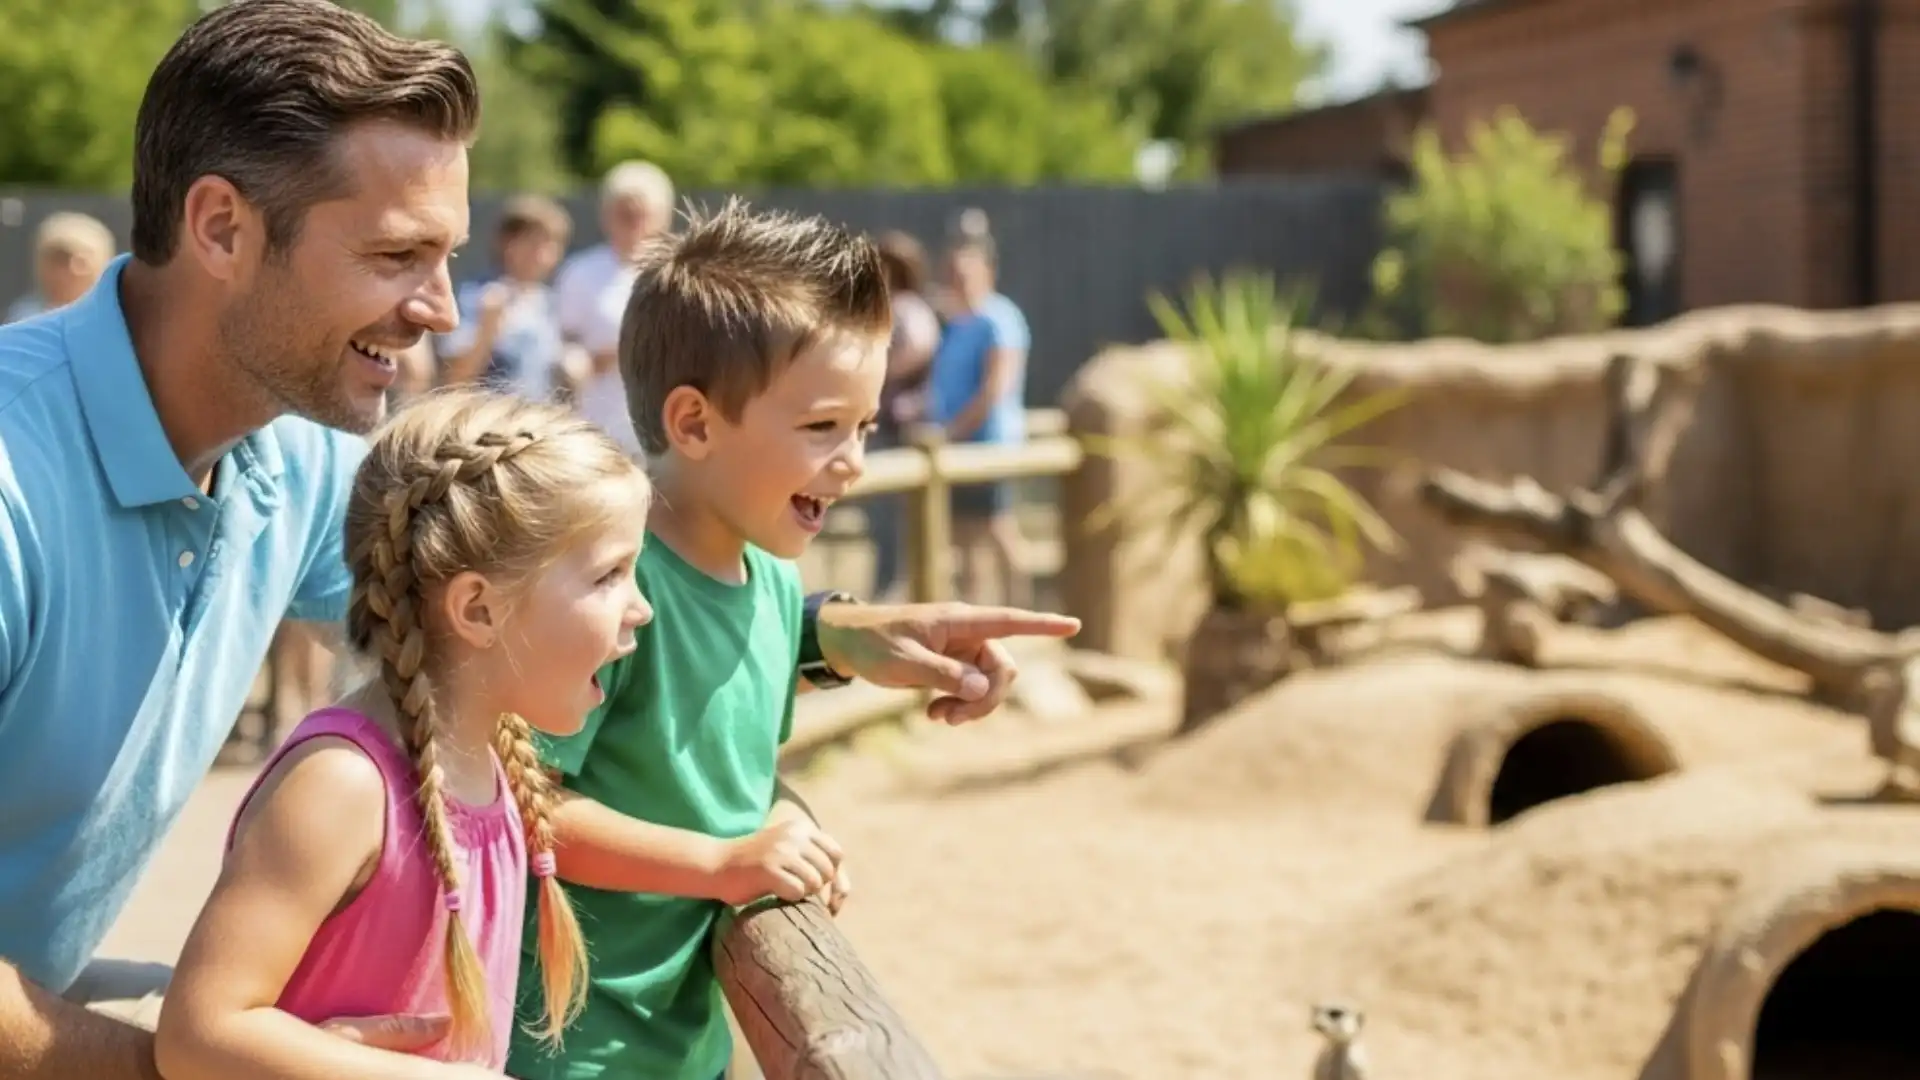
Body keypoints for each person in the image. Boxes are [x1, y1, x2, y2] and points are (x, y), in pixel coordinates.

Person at [0, 4, 1075, 1075]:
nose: (440, 308)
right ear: (222, 228)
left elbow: (515, 604)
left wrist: (835, 635)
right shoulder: (17, 483)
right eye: (396, 254)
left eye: (447, 256)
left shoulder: (293, 454)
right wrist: (203, 1067)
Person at [154, 389, 651, 1078]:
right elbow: (198, 1034)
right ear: (478, 609)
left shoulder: (492, 763)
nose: (641, 608)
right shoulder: (343, 786)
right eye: (609, 576)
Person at [504, 199, 888, 1080]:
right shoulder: (610, 586)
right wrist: (722, 862)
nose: (854, 459)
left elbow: (729, 778)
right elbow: (529, 805)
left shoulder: (773, 582)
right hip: (572, 1044)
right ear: (694, 423)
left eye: (864, 427)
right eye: (823, 426)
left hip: (689, 1036)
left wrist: (784, 825)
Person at [925, 230, 1033, 607]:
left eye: (966, 274)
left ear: (987, 272)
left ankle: (1021, 607)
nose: (958, 281)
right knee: (964, 535)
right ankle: (973, 610)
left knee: (997, 527)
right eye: (953, 274)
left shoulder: (1000, 320)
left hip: (988, 445)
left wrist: (956, 429)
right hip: (956, 445)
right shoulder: (956, 324)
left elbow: (996, 385)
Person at [551, 160, 676, 456]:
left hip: (665, 422)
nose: (633, 224)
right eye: (624, 214)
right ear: (606, 216)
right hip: (601, 422)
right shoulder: (580, 273)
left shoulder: (679, 272)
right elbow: (567, 345)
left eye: (641, 214)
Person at [865, 230, 942, 600]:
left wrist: (871, 372)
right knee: (881, 522)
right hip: (880, 424)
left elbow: (917, 349)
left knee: (892, 524)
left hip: (898, 426)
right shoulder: (888, 307)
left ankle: (891, 590)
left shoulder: (908, 309)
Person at [436, 195, 571, 399]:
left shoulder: (549, 303)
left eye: (550, 245)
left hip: (536, 415)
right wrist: (487, 331)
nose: (541, 255)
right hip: (487, 413)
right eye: (532, 244)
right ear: (507, 244)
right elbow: (455, 380)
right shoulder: (475, 296)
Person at [5, 211, 117, 323]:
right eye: (61, 261)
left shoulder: (116, 316)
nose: (73, 270)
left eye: (81, 261)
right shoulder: (25, 317)